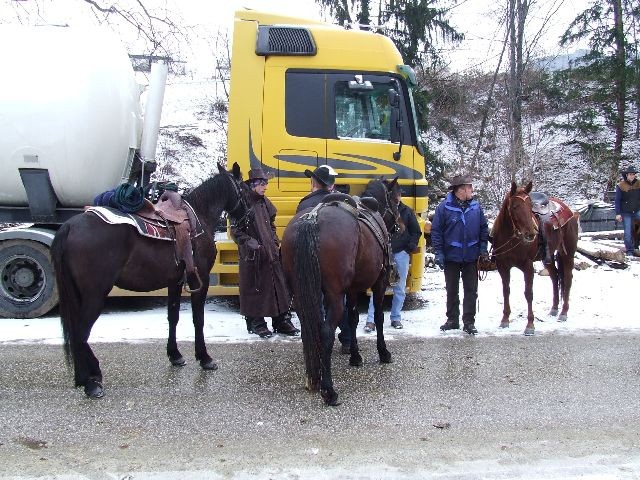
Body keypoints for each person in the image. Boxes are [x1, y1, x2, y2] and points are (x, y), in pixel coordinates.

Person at [231, 168, 299, 338]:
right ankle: (257, 323)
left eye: (266, 183)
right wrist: (251, 243)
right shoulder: (242, 203)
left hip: (271, 253)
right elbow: (235, 231)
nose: (265, 187)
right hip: (253, 256)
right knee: (256, 289)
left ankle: (280, 321)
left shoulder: (264, 202)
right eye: (262, 184)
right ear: (253, 185)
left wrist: (274, 240)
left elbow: (272, 224)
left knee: (278, 288)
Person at [295, 165, 352, 353]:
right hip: (335, 264)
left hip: (309, 263)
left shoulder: (304, 204)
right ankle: (347, 339)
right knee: (338, 299)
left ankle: (316, 340)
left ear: (314, 183)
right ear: (332, 184)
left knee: (315, 301)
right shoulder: (341, 205)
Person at [431, 174, 489, 335]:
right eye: (469, 187)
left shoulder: (476, 207)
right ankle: (452, 320)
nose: (472, 190)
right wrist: (439, 253)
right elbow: (436, 232)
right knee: (452, 289)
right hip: (451, 256)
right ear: (460, 190)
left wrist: (483, 248)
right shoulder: (443, 208)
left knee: (471, 290)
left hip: (471, 256)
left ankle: (469, 322)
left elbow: (484, 229)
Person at [363, 184, 421, 332]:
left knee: (399, 288)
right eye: (395, 195)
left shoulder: (407, 211)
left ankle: (395, 318)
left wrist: (409, 246)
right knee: (377, 287)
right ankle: (371, 320)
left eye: (398, 194)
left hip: (401, 252)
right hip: (384, 253)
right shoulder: (382, 212)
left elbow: (416, 232)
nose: (397, 197)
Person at [614, 165, 640, 256]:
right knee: (628, 232)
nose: (632, 176)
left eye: (633, 174)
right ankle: (629, 250)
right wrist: (618, 213)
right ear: (627, 175)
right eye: (630, 174)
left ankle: (636, 245)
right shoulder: (621, 186)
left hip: (637, 210)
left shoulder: (638, 184)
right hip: (626, 212)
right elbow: (617, 201)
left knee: (637, 229)